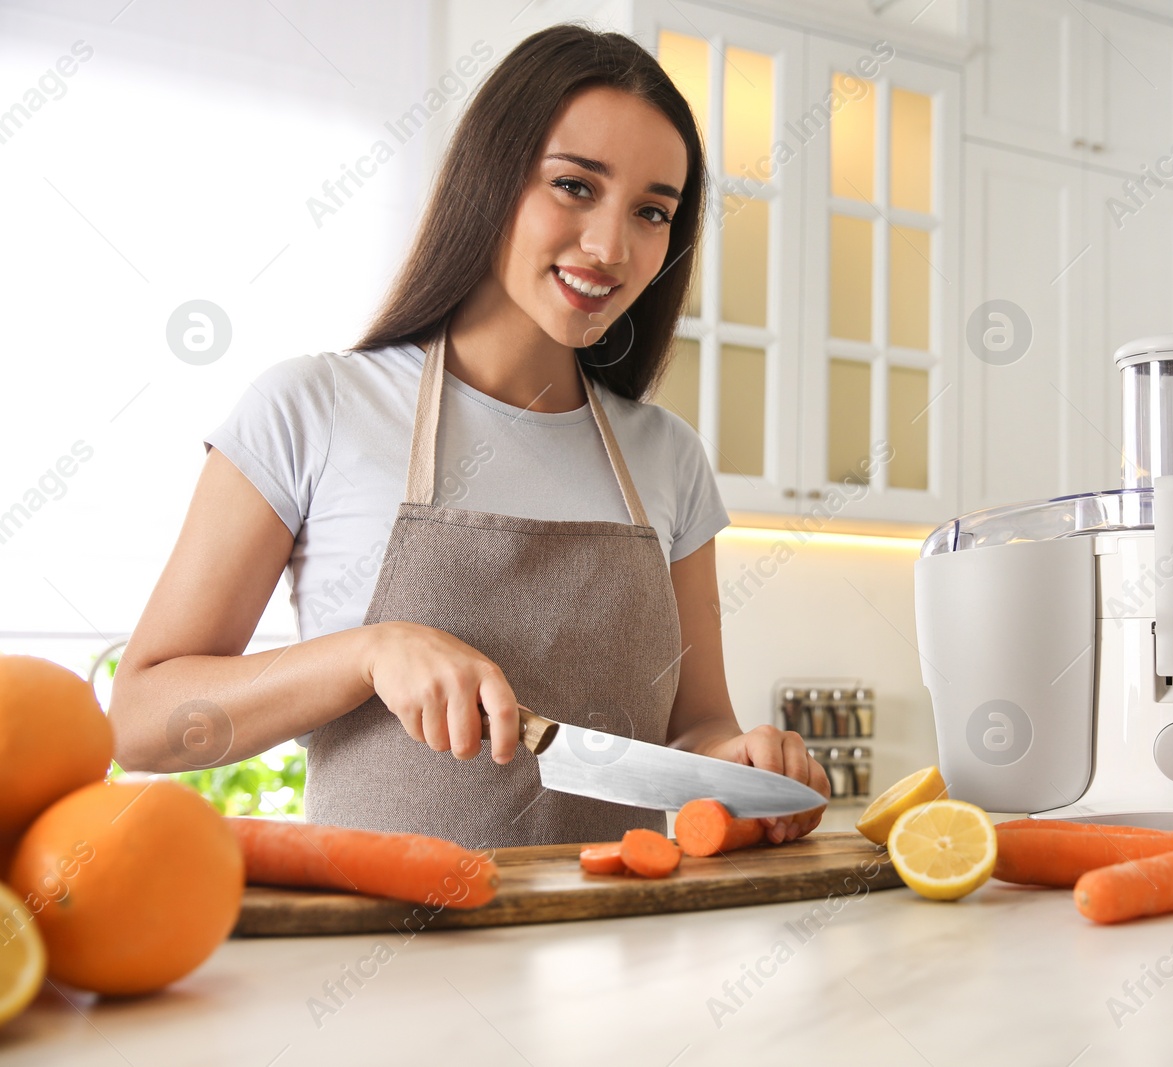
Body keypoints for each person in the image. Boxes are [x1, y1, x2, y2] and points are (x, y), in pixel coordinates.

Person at [108, 24, 829, 849]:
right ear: (492, 176)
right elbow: (140, 719)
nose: (610, 247)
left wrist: (744, 764)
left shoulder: (668, 456)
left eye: (652, 212)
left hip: (618, 958)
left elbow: (696, 729)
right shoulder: (314, 407)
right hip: (388, 963)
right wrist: (366, 654)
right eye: (574, 186)